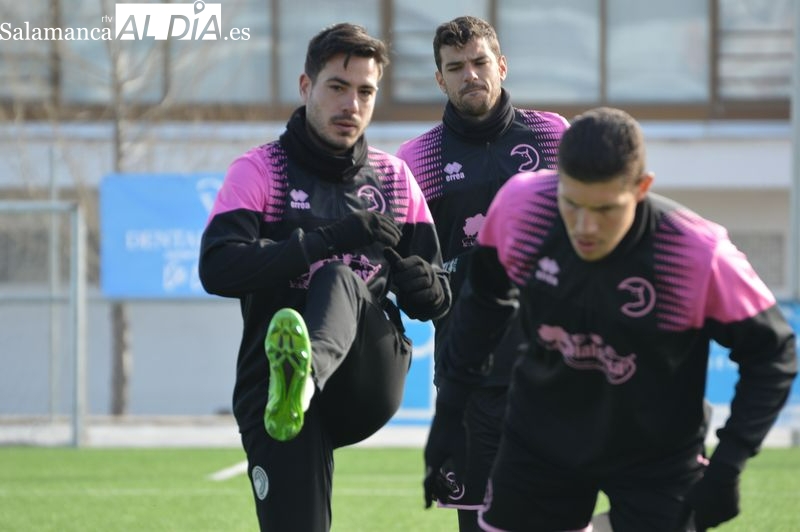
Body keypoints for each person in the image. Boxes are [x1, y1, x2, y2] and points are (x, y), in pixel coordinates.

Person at [425, 106, 798, 531]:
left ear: (641, 188)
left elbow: (774, 352)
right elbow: (484, 304)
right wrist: (451, 413)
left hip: (655, 450)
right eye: (572, 203)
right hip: (544, 433)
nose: (585, 227)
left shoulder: (695, 252)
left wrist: (729, 462)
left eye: (604, 209)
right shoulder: (522, 207)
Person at [198, 23, 451, 532]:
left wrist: (422, 286)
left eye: (365, 91)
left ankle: (304, 378)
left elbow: (438, 295)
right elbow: (217, 268)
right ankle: (294, 388)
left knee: (339, 279)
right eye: (338, 86)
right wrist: (323, 239)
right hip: (274, 395)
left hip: (366, 377)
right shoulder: (260, 170)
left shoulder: (394, 179)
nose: (351, 104)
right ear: (306, 86)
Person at [395, 15, 568, 530]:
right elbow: (413, 274)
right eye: (456, 67)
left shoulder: (553, 135)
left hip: (552, 366)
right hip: (467, 377)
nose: (470, 75)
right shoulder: (416, 160)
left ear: (501, 65)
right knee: (477, 523)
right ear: (440, 79)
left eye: (479, 62)